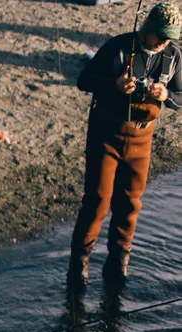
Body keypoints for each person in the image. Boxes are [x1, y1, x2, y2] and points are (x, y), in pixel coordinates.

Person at [69, 2, 182, 286]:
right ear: (148, 29)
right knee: (97, 201)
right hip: (106, 134)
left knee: (130, 203)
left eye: (169, 37)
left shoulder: (174, 56)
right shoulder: (118, 47)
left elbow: (180, 98)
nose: (164, 42)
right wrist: (114, 85)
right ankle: (79, 264)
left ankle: (119, 263)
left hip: (142, 140)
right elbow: (84, 80)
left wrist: (166, 95)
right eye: (160, 35)